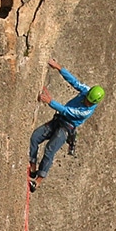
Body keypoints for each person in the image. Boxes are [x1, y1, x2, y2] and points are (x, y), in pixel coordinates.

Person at [29, 59, 105, 189]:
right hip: (58, 120)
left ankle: (38, 180)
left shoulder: (86, 111)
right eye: (86, 99)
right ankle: (32, 166)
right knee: (35, 136)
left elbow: (66, 110)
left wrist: (50, 101)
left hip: (66, 128)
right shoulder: (87, 91)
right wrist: (59, 68)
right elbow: (74, 82)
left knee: (49, 150)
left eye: (89, 102)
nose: (86, 102)